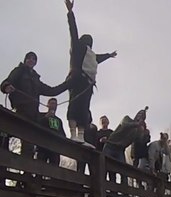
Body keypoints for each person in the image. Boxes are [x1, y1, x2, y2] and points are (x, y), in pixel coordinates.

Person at [64, 0, 117, 145]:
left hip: (88, 84)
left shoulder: (91, 55)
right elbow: (73, 31)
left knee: (84, 110)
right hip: (77, 80)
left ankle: (80, 136)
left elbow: (98, 58)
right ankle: (73, 134)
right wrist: (70, 12)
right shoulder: (77, 48)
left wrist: (109, 55)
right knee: (74, 106)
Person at [1, 52, 68, 158]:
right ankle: (4, 162)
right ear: (25, 60)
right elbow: (6, 82)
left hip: (33, 115)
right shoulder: (19, 71)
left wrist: (68, 84)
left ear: (36, 62)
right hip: (21, 111)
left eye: (33, 59)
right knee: (7, 133)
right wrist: (6, 87)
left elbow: (52, 90)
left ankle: (26, 172)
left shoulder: (36, 79)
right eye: (29, 58)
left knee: (29, 145)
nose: (31, 60)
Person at [103, 109, 148, 183]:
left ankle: (122, 192)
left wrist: (143, 132)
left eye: (142, 116)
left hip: (120, 150)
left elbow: (140, 141)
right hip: (110, 146)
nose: (140, 116)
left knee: (124, 171)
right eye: (139, 113)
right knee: (104, 167)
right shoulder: (127, 119)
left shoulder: (137, 131)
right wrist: (137, 124)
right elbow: (125, 125)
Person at [36, 98, 66, 166]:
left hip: (55, 149)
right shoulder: (41, 115)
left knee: (54, 169)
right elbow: (37, 126)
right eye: (52, 103)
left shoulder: (59, 120)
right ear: (47, 105)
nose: (53, 105)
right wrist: (45, 118)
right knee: (40, 167)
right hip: (42, 146)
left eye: (55, 104)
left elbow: (62, 134)